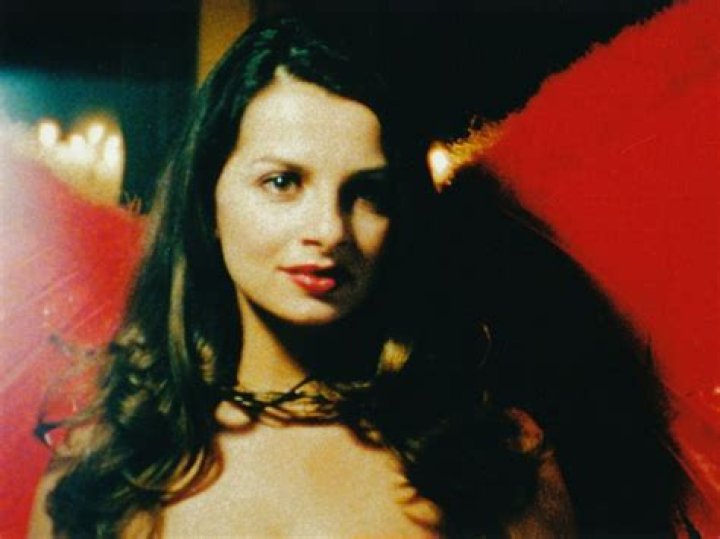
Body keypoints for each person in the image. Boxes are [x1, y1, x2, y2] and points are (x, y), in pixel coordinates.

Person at [28, 15, 685, 538]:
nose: (329, 229)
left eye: (367, 192)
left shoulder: (490, 455)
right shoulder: (107, 465)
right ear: (209, 202)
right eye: (283, 182)